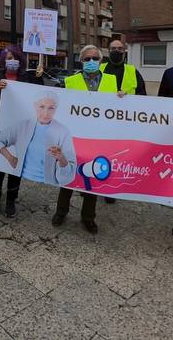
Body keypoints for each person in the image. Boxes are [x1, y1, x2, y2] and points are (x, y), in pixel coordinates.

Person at [53, 45, 117, 233]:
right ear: (81, 61)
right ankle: (61, 211)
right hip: (74, 138)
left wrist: (123, 97)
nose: (91, 62)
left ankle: (88, 217)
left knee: (92, 178)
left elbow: (118, 107)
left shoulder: (112, 81)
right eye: (87, 59)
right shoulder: (70, 81)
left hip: (99, 139)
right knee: (68, 175)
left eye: (94, 58)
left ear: (100, 60)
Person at [0, 45, 43, 217]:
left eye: (14, 57)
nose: (11, 61)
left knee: (15, 167)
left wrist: (39, 79)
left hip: (21, 132)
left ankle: (11, 201)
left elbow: (38, 98)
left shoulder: (27, 79)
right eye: (8, 58)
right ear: (3, 61)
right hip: (0, 131)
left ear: (20, 60)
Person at [102, 38, 146, 203]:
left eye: (119, 49)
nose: (116, 51)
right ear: (108, 51)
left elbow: (143, 95)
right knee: (100, 154)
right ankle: (95, 183)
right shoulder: (100, 69)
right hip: (103, 122)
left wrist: (128, 100)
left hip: (124, 123)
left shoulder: (132, 70)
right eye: (113, 48)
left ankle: (111, 189)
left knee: (117, 156)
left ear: (124, 51)